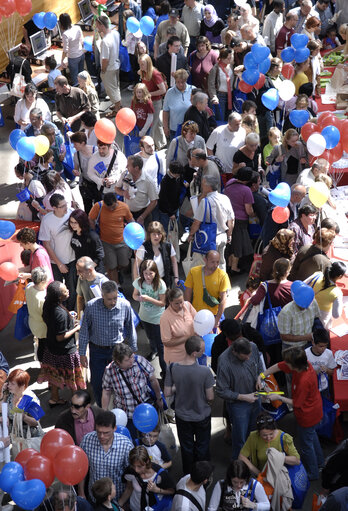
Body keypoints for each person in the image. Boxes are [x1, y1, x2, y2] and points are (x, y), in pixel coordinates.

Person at [258, 347, 324, 480]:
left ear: (295, 365)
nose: (285, 364)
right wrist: (262, 375)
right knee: (312, 437)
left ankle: (312, 473)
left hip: (307, 415)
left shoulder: (304, 380)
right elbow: (278, 366)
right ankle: (320, 462)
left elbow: (297, 403)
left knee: (306, 446)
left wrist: (279, 397)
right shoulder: (302, 364)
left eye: (288, 363)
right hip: (315, 410)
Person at [79, 280, 137, 407]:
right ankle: (101, 409)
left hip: (117, 351)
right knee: (98, 383)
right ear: (102, 295)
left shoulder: (125, 305)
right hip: (97, 351)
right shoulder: (91, 306)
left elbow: (130, 329)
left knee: (120, 382)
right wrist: (82, 354)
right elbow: (84, 332)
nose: (113, 302)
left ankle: (119, 409)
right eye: (109, 299)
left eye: (115, 298)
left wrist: (133, 351)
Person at [164, 335, 215, 474]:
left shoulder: (173, 367)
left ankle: (188, 476)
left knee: (187, 449)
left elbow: (167, 392)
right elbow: (210, 396)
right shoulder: (205, 372)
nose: (204, 352)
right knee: (202, 447)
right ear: (194, 353)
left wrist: (180, 385)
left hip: (182, 416)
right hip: (201, 415)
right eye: (202, 350)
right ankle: (203, 476)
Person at [38, 281, 85, 405]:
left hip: (51, 349)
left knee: (55, 376)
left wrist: (69, 320)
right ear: (59, 296)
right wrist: (76, 328)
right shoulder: (59, 313)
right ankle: (78, 402)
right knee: (72, 379)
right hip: (65, 351)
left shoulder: (48, 305)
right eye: (65, 290)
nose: (68, 290)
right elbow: (61, 337)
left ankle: (54, 398)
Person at [101, 343, 163, 438]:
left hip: (145, 410)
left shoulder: (139, 361)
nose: (131, 361)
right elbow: (106, 391)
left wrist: (159, 398)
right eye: (127, 360)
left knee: (148, 438)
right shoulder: (109, 370)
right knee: (131, 439)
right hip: (126, 414)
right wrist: (104, 411)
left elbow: (153, 380)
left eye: (131, 357)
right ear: (118, 361)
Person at [216, 338, 263, 460]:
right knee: (240, 438)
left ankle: (253, 458)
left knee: (256, 431)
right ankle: (239, 465)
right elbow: (221, 390)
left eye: (249, 355)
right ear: (234, 352)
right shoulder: (224, 362)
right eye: (244, 357)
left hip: (256, 398)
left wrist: (259, 378)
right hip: (238, 406)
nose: (248, 358)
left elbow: (259, 367)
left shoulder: (253, 346)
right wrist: (243, 397)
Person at [79, 411, 133, 503]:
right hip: (94, 498)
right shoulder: (87, 440)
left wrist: (121, 503)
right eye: (98, 432)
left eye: (106, 433)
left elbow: (131, 477)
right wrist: (81, 493)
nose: (102, 436)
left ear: (114, 428)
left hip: (117, 498)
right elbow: (81, 468)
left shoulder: (126, 445)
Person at [38, 193, 76, 311]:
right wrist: (59, 263)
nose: (66, 208)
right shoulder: (47, 220)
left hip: (72, 259)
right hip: (55, 262)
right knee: (58, 291)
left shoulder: (71, 213)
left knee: (72, 290)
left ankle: (70, 313)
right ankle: (60, 312)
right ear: (54, 208)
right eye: (62, 206)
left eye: (66, 204)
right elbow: (47, 244)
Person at [188, 176, 234, 271]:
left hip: (209, 239)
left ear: (208, 186)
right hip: (223, 236)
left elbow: (197, 222)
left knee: (206, 265)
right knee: (220, 263)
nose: (201, 186)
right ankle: (221, 284)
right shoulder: (225, 198)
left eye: (203, 184)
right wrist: (229, 235)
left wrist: (191, 235)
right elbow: (231, 220)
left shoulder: (205, 202)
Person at [89, 193, 133, 284]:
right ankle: (116, 286)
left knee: (124, 263)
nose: (111, 209)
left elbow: (130, 220)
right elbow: (90, 218)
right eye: (108, 207)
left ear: (116, 202)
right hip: (106, 242)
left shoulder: (124, 207)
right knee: (111, 266)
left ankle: (119, 272)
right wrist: (93, 233)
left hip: (121, 241)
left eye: (113, 207)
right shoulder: (98, 206)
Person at [132, 259, 167, 375]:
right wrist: (138, 298)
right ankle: (153, 350)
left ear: (155, 272)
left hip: (157, 318)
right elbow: (134, 295)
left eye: (150, 273)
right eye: (145, 273)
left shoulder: (160, 284)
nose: (148, 276)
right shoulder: (139, 282)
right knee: (150, 337)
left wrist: (148, 299)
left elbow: (163, 303)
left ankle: (164, 369)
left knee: (160, 343)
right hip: (144, 316)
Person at [119, 446, 176, 510]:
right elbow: (129, 489)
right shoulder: (130, 471)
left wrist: (157, 490)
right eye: (133, 466)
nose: (136, 470)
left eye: (139, 466)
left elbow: (172, 491)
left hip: (155, 508)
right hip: (135, 508)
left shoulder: (160, 474)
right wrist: (118, 505)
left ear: (147, 462)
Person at [184, 250, 230, 328]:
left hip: (213, 315)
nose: (215, 265)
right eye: (212, 262)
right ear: (205, 260)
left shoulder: (223, 276)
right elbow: (188, 292)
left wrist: (217, 319)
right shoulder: (193, 272)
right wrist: (188, 312)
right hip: (197, 314)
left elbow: (223, 300)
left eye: (217, 262)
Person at [224, 167, 255, 274]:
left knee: (230, 244)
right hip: (240, 221)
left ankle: (229, 265)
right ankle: (234, 268)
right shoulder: (246, 190)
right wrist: (255, 214)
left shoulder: (230, 183)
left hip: (227, 218)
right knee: (238, 245)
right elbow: (249, 210)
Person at [115, 155, 158, 226]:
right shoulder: (125, 175)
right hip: (127, 212)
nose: (126, 167)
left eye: (128, 165)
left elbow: (154, 201)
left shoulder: (148, 181)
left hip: (143, 213)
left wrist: (142, 217)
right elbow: (116, 188)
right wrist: (123, 193)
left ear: (136, 168)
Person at [134, 221, 179, 289]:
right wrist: (137, 284)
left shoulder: (168, 246)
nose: (157, 236)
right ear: (149, 235)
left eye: (159, 234)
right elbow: (136, 266)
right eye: (154, 234)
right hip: (147, 283)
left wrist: (176, 277)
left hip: (165, 282)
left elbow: (174, 261)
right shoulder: (143, 248)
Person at [278, 282, 320, 351]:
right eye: (301, 306)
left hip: (308, 343)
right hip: (292, 347)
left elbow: (316, 317)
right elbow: (284, 336)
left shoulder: (313, 302)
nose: (305, 308)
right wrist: (306, 337)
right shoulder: (286, 313)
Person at [138, 54, 167, 150]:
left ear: (148, 63)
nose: (141, 66)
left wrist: (148, 94)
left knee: (152, 126)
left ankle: (151, 147)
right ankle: (162, 143)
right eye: (140, 64)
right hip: (148, 101)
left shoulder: (155, 74)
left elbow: (163, 90)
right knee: (157, 123)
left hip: (156, 102)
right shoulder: (143, 72)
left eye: (143, 64)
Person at [160, 288, 196, 364]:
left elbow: (198, 320)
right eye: (177, 303)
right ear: (170, 302)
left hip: (191, 354)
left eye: (181, 302)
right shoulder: (165, 318)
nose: (180, 305)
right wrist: (187, 337)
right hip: (176, 359)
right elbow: (167, 342)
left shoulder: (187, 305)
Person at [305, 262, 346, 329]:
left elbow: (303, 284)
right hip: (319, 322)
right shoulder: (337, 292)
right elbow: (336, 315)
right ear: (340, 276)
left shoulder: (317, 275)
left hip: (306, 312)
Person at [206, 113, 246, 182]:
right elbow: (209, 147)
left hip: (236, 170)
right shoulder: (218, 131)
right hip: (221, 170)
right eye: (236, 124)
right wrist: (214, 163)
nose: (239, 126)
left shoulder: (243, 131)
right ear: (229, 123)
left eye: (240, 123)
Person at [96, 14, 121, 116]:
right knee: (116, 86)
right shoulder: (115, 33)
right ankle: (117, 105)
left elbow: (105, 59)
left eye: (97, 25)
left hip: (109, 69)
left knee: (111, 90)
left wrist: (103, 70)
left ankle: (117, 110)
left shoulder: (105, 42)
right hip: (116, 64)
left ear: (102, 25)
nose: (96, 27)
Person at [71, 131, 99, 214]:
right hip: (85, 184)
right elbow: (76, 168)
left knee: (98, 206)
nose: (74, 146)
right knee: (87, 208)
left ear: (82, 143)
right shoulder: (76, 155)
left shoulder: (96, 150)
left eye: (75, 144)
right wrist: (75, 171)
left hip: (97, 183)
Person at [163, 69, 195, 140]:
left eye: (183, 82)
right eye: (178, 82)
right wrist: (165, 127)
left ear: (186, 80)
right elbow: (165, 111)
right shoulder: (169, 93)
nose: (180, 84)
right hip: (174, 129)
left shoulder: (193, 90)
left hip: (191, 129)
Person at [25, 267, 49, 363]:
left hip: (33, 322)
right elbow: (46, 316)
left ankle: (42, 365)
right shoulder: (42, 298)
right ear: (42, 282)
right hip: (42, 327)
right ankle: (45, 366)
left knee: (40, 344)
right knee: (44, 346)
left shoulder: (29, 287)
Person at [69, 209, 104, 273]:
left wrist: (88, 269)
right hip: (81, 270)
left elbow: (100, 255)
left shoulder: (92, 236)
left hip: (93, 271)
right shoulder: (74, 233)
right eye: (71, 222)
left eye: (75, 222)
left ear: (82, 222)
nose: (73, 225)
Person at [158, 161, 188, 233]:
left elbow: (180, 179)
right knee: (166, 230)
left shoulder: (178, 176)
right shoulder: (165, 182)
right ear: (172, 172)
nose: (179, 176)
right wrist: (170, 214)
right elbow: (163, 200)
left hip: (175, 207)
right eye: (177, 175)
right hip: (166, 211)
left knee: (175, 229)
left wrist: (184, 182)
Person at [305, 328, 336, 395]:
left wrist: (327, 370)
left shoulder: (329, 353)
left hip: (323, 388)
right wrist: (313, 373)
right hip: (309, 387)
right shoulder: (305, 354)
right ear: (313, 343)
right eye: (321, 346)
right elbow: (301, 372)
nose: (323, 349)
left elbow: (332, 372)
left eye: (326, 346)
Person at [59, 13, 85, 87]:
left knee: (75, 79)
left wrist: (62, 60)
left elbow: (65, 50)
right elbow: (82, 41)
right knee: (82, 76)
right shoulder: (77, 27)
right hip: (81, 53)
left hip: (73, 58)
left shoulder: (65, 34)